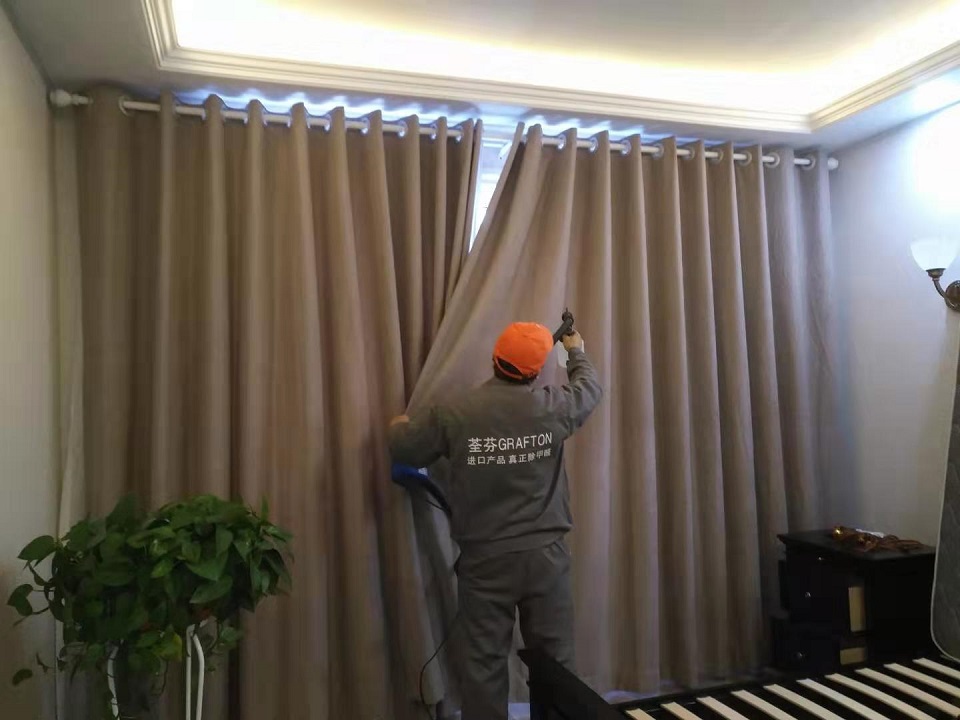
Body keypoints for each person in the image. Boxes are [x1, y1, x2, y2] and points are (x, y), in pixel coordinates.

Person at [388, 321, 603, 720]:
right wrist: (574, 351)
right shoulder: (554, 407)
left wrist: (398, 427)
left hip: (485, 563)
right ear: (536, 373)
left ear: (494, 359)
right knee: (555, 665)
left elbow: (405, 449)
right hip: (546, 558)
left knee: (483, 667)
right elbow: (590, 388)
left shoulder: (455, 413)